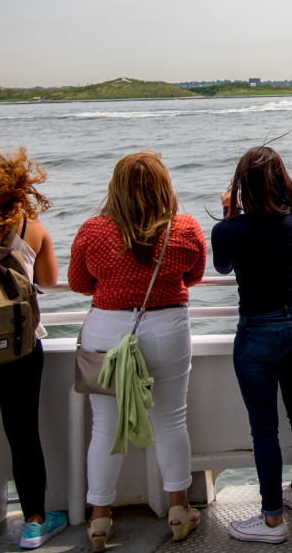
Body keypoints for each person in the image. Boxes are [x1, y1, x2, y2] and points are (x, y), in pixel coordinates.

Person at [69, 152, 207, 551]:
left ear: (116, 187)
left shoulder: (93, 231)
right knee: (171, 420)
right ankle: (179, 508)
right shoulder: (184, 227)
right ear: (164, 186)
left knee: (105, 426)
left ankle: (99, 518)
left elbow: (79, 282)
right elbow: (194, 276)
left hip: (108, 329)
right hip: (167, 327)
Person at [211, 146, 292, 544]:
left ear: (242, 184)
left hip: (259, 330)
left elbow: (223, 266)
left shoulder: (229, 230)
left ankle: (272, 520)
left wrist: (229, 213)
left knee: (264, 429)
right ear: (281, 181)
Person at [0, 149, 66, 549]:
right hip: (20, 343)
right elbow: (46, 279)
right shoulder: (30, 225)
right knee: (23, 432)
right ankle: (34, 522)